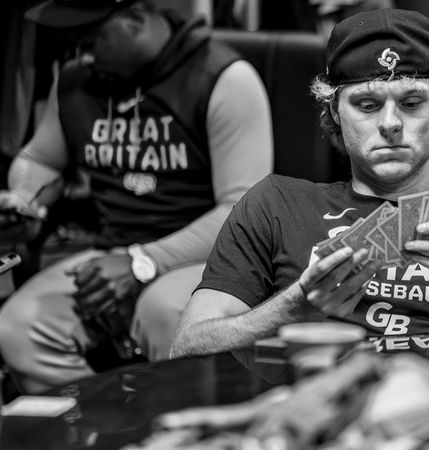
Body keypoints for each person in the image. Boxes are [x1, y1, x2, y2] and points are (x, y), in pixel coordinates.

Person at [170, 8, 429, 358]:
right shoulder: (276, 206)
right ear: (333, 111)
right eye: (367, 105)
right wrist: (295, 307)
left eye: (411, 103)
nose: (390, 124)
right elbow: (186, 347)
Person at [0, 0, 273, 393]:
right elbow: (40, 157)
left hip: (210, 258)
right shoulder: (78, 79)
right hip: (116, 249)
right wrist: (28, 198)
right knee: (19, 328)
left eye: (92, 39)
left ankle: (192, 429)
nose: (82, 54)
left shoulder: (224, 78)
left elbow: (244, 211)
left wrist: (144, 262)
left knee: (164, 312)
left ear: (135, 18)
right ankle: (105, 429)